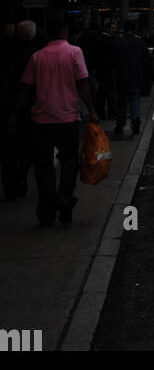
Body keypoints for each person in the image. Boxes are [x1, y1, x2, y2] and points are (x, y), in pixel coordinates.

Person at [8, 16, 98, 226]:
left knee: (43, 164)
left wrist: (14, 114)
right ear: (65, 31)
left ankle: (47, 207)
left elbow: (26, 88)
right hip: (67, 117)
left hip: (42, 119)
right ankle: (65, 198)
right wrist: (92, 110)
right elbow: (83, 85)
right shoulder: (75, 53)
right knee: (69, 161)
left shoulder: (37, 57)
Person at [0, 21, 41, 200]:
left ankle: (10, 186)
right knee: (28, 147)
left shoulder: (7, 52)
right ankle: (22, 176)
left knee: (9, 150)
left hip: (8, 105)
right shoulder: (36, 55)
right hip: (30, 107)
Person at [113, 22, 149, 138]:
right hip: (135, 76)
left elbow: (113, 60)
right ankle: (135, 123)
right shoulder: (139, 42)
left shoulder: (118, 42)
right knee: (135, 101)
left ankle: (120, 124)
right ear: (134, 29)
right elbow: (147, 58)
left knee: (122, 103)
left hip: (121, 77)